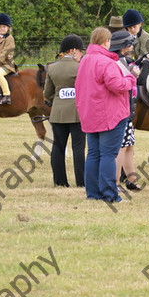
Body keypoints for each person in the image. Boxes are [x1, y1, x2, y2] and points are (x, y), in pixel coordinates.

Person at [75, 27, 136, 203]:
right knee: (108, 154)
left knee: (93, 153)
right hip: (110, 115)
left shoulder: (85, 60)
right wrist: (130, 79)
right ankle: (110, 194)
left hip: (90, 114)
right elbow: (117, 85)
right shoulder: (106, 62)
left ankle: (93, 193)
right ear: (106, 42)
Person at [44, 34, 86, 188]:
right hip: (77, 114)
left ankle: (60, 181)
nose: (82, 54)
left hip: (58, 113)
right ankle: (81, 181)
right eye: (81, 51)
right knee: (78, 148)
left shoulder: (52, 68)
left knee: (58, 146)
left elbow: (47, 93)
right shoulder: (80, 67)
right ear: (73, 50)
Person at [109, 30, 148, 192]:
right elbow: (134, 80)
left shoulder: (124, 60)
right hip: (121, 109)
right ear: (122, 46)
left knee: (129, 144)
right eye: (129, 44)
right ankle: (116, 182)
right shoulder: (118, 62)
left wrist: (141, 62)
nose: (131, 46)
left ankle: (131, 179)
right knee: (122, 147)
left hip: (128, 108)